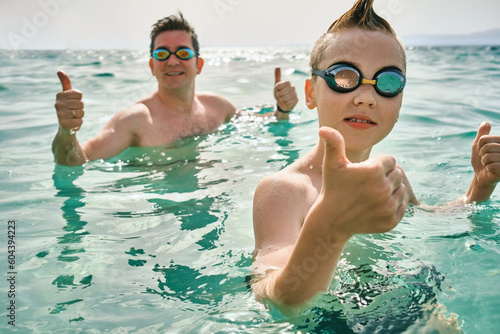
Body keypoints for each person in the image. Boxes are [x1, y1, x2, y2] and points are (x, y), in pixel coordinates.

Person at [250, 0, 500, 318]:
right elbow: (274, 296)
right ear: (311, 93)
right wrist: (330, 226)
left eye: (388, 82)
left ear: (400, 102)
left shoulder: (389, 174)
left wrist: (479, 187)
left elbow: (435, 218)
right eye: (344, 76)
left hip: (401, 299)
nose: (366, 97)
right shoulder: (284, 190)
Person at [52, 13, 298, 166]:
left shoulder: (218, 107)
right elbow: (76, 162)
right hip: (159, 220)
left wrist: (282, 110)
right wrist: (66, 132)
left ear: (198, 64)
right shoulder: (136, 121)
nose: (172, 61)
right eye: (161, 54)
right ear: (152, 66)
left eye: (182, 52)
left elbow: (265, 123)